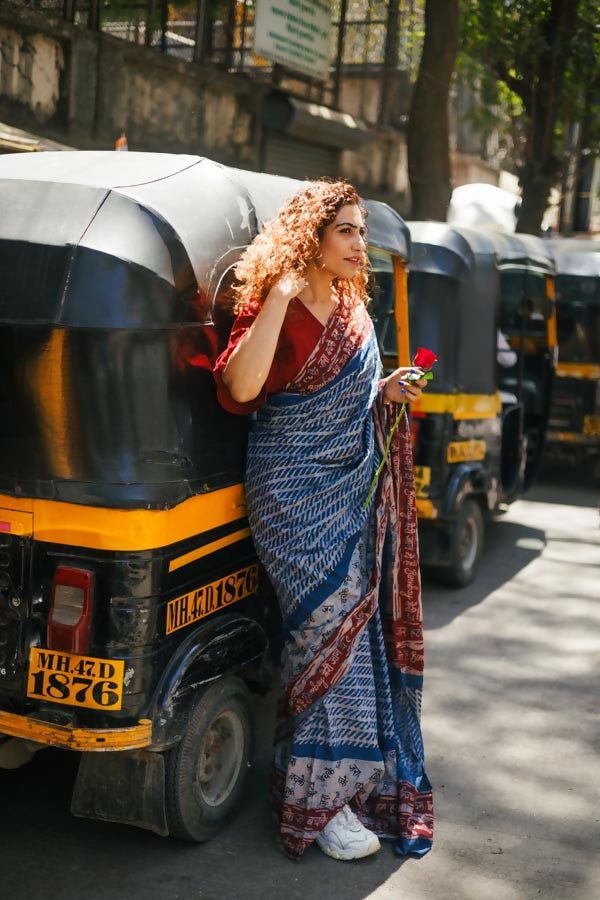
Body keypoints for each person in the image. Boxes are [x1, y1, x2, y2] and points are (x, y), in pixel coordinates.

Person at [213, 180, 433, 862]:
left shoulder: (348, 305)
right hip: (291, 499)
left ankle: (321, 782)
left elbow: (349, 392)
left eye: (363, 232)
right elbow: (242, 388)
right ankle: (321, 805)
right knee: (326, 637)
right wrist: (278, 297)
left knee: (342, 643)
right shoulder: (277, 302)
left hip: (344, 492)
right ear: (312, 235)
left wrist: (383, 390)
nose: (360, 244)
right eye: (347, 231)